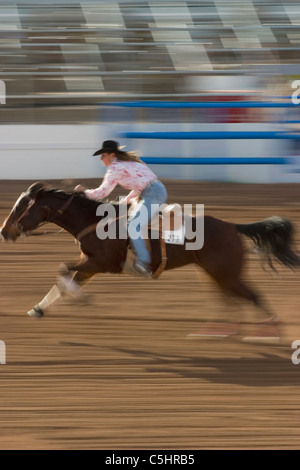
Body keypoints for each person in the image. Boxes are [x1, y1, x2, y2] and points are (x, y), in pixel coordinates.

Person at [75, 140, 168, 277]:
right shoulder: (128, 163)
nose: (101, 158)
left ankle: (143, 263)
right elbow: (141, 185)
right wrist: (125, 201)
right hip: (153, 192)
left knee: (133, 225)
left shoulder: (115, 168)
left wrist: (84, 193)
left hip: (152, 194)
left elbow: (103, 192)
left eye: (103, 155)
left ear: (112, 155)